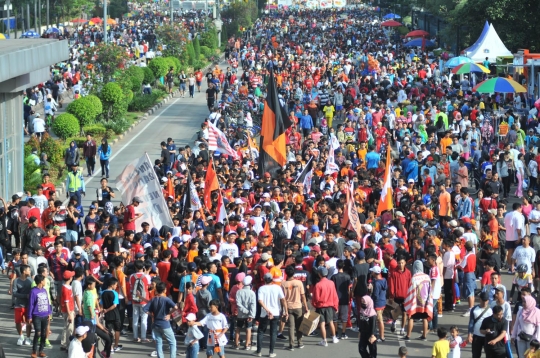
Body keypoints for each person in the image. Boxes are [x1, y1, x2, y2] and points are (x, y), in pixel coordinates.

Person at [143, 281, 178, 358]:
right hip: (165, 324)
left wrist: (151, 315)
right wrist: (169, 314)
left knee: (159, 342)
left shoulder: (153, 299)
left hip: (155, 323)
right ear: (164, 290)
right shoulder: (166, 299)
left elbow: (145, 309)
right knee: (172, 342)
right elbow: (175, 307)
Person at [256, 272, 286, 357]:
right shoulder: (277, 287)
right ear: (272, 280)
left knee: (261, 331)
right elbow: (283, 299)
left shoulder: (261, 288)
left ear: (264, 280)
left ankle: (259, 351)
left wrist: (267, 310)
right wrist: (286, 311)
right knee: (273, 332)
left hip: (264, 313)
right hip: (276, 312)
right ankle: (271, 352)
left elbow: (260, 301)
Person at [403, 260, 433, 341]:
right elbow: (430, 290)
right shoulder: (427, 277)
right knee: (425, 318)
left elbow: (411, 291)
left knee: (411, 318)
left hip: (416, 303)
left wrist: (407, 301)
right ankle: (424, 336)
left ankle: (408, 336)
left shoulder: (414, 278)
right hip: (425, 302)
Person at [282, 265, 308, 350]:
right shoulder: (299, 283)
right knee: (299, 326)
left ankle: (291, 345)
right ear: (294, 273)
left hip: (288, 307)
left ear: (286, 273)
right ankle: (300, 343)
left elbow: (282, 299)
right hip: (298, 306)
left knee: (291, 327)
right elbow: (303, 296)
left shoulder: (283, 284)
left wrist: (283, 310)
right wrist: (306, 307)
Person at [312, 266, 339, 346]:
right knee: (331, 322)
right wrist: (336, 306)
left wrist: (314, 304)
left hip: (321, 306)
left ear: (319, 274)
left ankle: (324, 341)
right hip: (330, 305)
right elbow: (335, 295)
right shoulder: (331, 283)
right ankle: (334, 337)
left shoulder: (318, 285)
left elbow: (316, 298)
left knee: (322, 324)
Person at [27, 274, 52, 358]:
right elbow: (31, 304)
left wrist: (49, 312)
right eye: (44, 280)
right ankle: (34, 351)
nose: (45, 281)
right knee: (38, 333)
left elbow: (47, 302)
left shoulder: (44, 290)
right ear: (41, 281)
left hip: (45, 315)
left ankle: (41, 350)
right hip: (36, 315)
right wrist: (29, 316)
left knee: (44, 334)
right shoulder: (33, 291)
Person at [467, 291, 492, 358]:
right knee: (475, 355)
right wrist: (469, 334)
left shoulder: (491, 310)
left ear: (488, 300)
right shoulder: (474, 309)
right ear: (479, 299)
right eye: (483, 300)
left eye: (486, 300)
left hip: (487, 337)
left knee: (489, 355)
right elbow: (471, 323)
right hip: (476, 336)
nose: (484, 302)